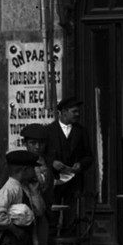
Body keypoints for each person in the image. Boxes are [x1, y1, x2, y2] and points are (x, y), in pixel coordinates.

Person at [5, 123, 56, 245]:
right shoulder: (18, 162)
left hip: (41, 217)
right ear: (25, 143)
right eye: (32, 143)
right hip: (23, 219)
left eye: (40, 143)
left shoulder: (45, 162)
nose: (37, 147)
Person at [45, 96, 94, 231]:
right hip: (54, 181)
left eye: (78, 111)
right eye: (74, 111)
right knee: (52, 215)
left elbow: (89, 156)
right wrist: (52, 163)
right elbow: (41, 156)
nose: (78, 114)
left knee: (71, 217)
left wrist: (81, 164)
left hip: (74, 182)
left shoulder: (81, 131)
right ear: (64, 112)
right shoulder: (49, 131)